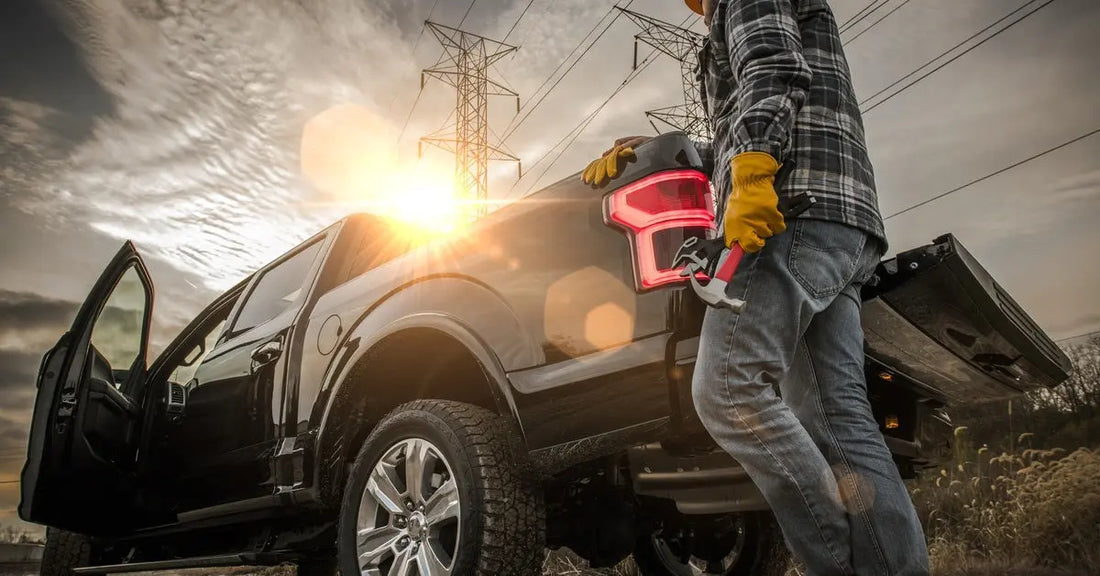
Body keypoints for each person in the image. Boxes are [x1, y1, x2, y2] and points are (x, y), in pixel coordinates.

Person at [582, 0, 931, 574]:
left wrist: (754, 166)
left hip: (788, 214)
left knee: (727, 391)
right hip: (841, 220)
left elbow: (773, 67)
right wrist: (652, 149)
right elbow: (760, 103)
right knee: (839, 418)